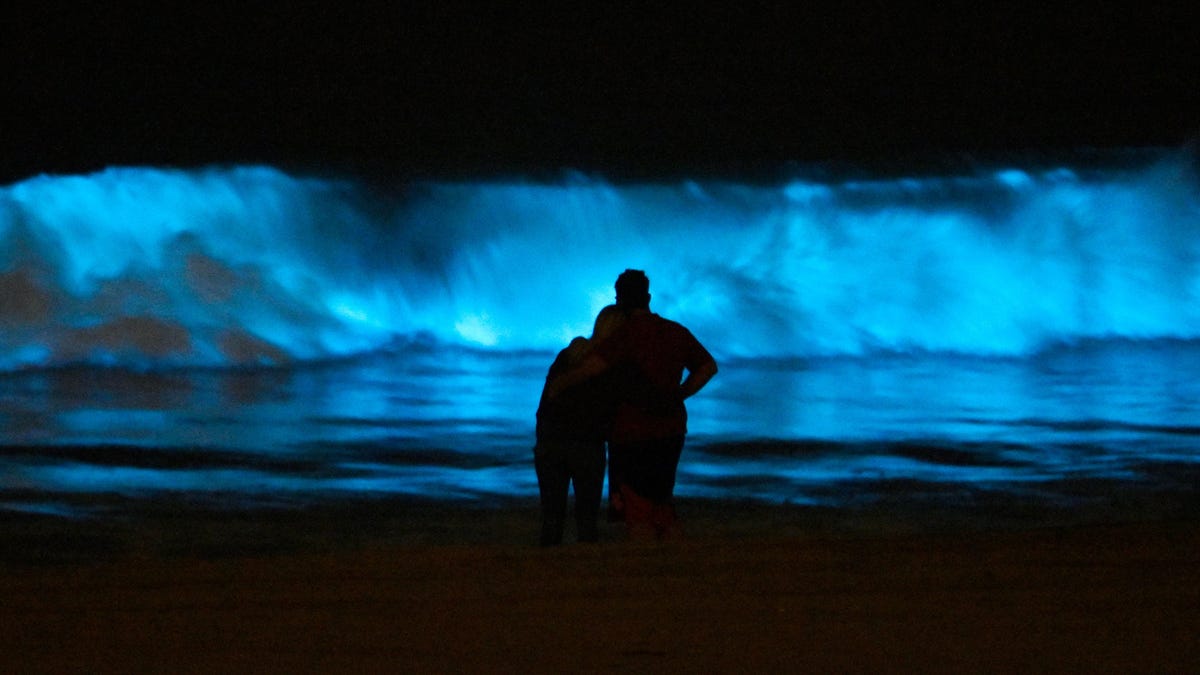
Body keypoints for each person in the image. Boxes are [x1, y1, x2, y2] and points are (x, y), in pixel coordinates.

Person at [546, 269, 718, 540]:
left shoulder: (625, 335)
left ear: (619, 300)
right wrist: (681, 393)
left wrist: (560, 384)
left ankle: (646, 566)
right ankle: (674, 562)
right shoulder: (675, 331)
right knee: (662, 501)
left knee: (636, 508)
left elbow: (592, 367)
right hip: (672, 430)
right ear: (648, 297)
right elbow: (708, 367)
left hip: (632, 433)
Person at [532, 305, 627, 545]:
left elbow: (546, 402)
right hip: (587, 444)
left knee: (552, 517)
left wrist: (543, 437)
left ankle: (547, 571)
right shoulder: (612, 365)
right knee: (587, 519)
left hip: (551, 441)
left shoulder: (569, 354)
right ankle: (585, 571)